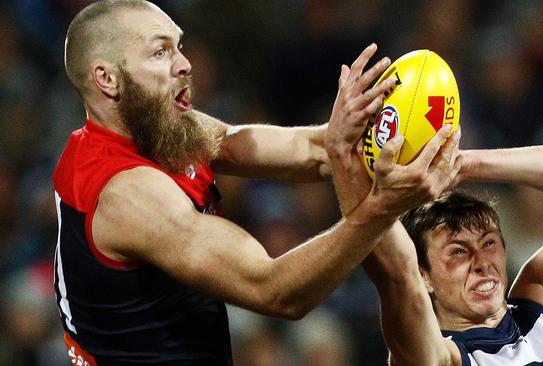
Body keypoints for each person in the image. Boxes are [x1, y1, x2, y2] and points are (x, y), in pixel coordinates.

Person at [53, 1, 445, 364]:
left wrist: (357, 133)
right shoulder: (127, 194)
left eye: (179, 46)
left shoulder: (155, 128)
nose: (185, 64)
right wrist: (381, 208)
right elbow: (275, 290)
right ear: (107, 78)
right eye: (160, 52)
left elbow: (272, 147)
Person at [326, 109, 543, 364]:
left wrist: (464, 165)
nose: (481, 262)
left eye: (488, 243)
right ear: (423, 275)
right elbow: (396, 272)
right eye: (458, 252)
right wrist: (350, 159)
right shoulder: (438, 357)